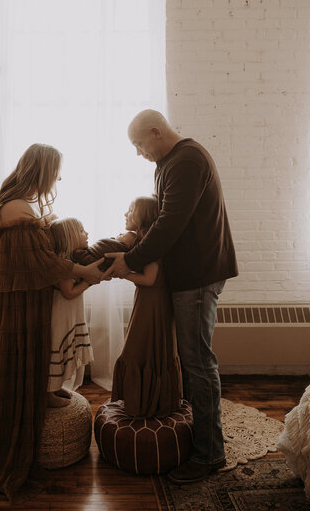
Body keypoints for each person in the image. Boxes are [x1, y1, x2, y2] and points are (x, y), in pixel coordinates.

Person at [0, 143, 104, 503]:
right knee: (13, 361)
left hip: (10, 293)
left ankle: (28, 408)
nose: (58, 178)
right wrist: (85, 271)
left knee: (11, 363)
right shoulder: (17, 208)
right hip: (12, 300)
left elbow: (36, 258)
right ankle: (8, 443)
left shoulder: (15, 201)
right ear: (41, 170)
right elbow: (41, 263)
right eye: (55, 171)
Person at [104, 110, 238, 484]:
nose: (138, 152)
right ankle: (204, 440)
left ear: (155, 131)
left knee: (197, 363)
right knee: (194, 360)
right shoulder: (170, 164)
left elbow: (170, 223)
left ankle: (209, 454)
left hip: (198, 276)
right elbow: (161, 219)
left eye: (138, 144)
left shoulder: (187, 160)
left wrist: (129, 259)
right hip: (189, 276)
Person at [111, 195, 183, 418]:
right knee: (145, 349)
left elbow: (149, 279)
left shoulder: (151, 245)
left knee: (137, 348)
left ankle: (144, 404)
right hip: (149, 300)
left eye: (131, 210)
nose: (126, 214)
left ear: (143, 216)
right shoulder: (144, 240)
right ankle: (146, 401)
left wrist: (125, 274)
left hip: (153, 303)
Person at [47, 218, 94, 407]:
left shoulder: (71, 261)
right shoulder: (64, 264)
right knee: (57, 351)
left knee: (62, 352)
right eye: (82, 230)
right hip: (61, 317)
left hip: (70, 315)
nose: (87, 233)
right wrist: (90, 281)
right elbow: (69, 292)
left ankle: (56, 386)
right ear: (70, 237)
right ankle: (48, 393)